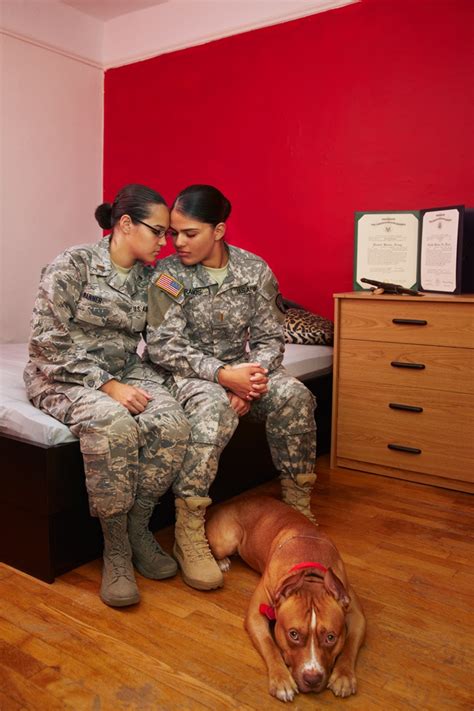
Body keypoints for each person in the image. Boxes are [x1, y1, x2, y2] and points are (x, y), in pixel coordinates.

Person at [24, 184, 190, 608]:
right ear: (125, 225)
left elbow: (167, 336)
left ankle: (139, 528)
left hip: (124, 367)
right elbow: (45, 341)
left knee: (171, 421)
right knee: (112, 422)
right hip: (62, 374)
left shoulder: (155, 277)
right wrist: (107, 386)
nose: (164, 242)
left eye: (168, 234)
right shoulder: (73, 264)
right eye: (158, 231)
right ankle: (115, 548)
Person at [146, 184, 317, 592]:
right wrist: (224, 376)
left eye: (190, 233)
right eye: (174, 233)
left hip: (242, 372)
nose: (178, 242)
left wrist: (250, 379)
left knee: (295, 394)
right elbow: (163, 344)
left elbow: (271, 337)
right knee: (212, 409)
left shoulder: (254, 271)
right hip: (186, 372)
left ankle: (297, 506)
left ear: (219, 230)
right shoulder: (167, 276)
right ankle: (190, 531)